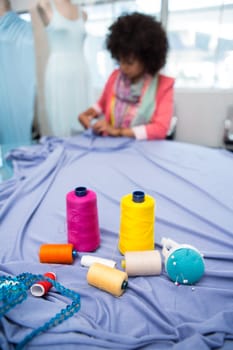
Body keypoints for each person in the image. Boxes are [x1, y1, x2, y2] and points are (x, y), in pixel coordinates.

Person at [79, 12, 175, 140]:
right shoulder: (115, 77)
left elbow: (160, 129)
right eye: (120, 60)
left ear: (146, 59)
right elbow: (101, 105)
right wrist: (86, 115)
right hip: (113, 147)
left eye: (129, 62)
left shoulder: (163, 85)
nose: (123, 67)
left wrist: (118, 131)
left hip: (145, 151)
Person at [37, 0, 93, 137]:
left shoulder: (82, 13)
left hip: (81, 71)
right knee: (61, 123)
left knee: (83, 120)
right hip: (59, 72)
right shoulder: (44, 5)